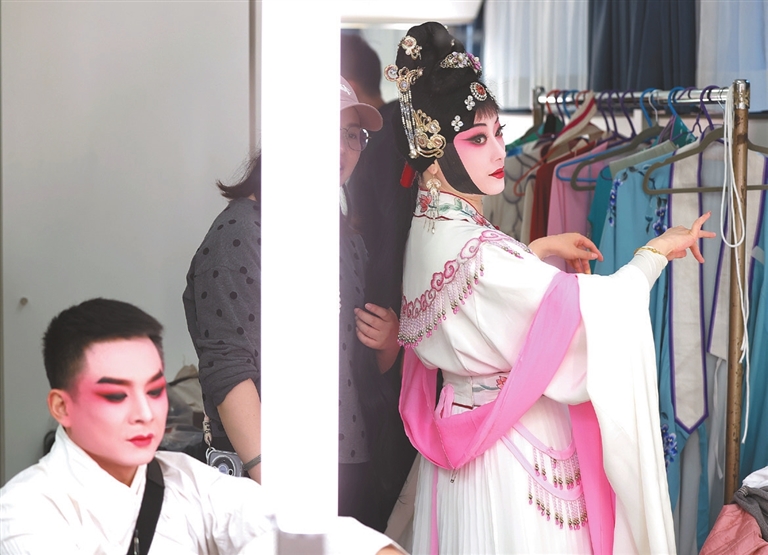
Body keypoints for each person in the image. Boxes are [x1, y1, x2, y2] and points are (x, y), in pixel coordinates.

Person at [384, 22, 717, 554]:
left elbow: (478, 296)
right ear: (434, 151)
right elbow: (584, 315)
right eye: (477, 139)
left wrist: (533, 249)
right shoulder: (478, 252)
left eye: (498, 133)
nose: (499, 151)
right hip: (509, 454)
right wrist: (653, 256)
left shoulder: (428, 230)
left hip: (463, 442)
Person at [0, 298, 406, 554]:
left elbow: (286, 525)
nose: (144, 413)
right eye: (115, 395)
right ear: (62, 407)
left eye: (154, 390)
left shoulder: (183, 479)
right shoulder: (22, 512)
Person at [341, 33, 419, 533]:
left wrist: (393, 344)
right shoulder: (392, 136)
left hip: (384, 344)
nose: (345, 148)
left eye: (351, 134)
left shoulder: (388, 143)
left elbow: (388, 242)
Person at [183, 154, 263, 482]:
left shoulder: (335, 232)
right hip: (265, 472)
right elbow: (228, 365)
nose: (341, 149)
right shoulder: (239, 232)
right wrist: (271, 478)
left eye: (354, 135)